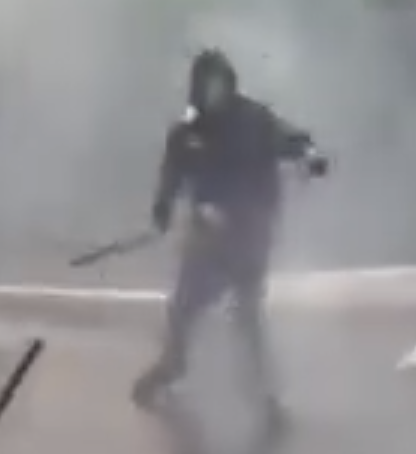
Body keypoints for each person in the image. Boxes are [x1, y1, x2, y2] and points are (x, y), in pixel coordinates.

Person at [132, 48, 329, 433]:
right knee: (183, 309)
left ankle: (266, 398)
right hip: (207, 237)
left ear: (229, 83)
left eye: (218, 83)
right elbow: (173, 172)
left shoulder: (254, 119)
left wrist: (309, 156)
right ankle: (174, 363)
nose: (212, 92)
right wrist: (163, 208)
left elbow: (293, 140)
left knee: (247, 318)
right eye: (205, 85)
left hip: (248, 235)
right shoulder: (189, 131)